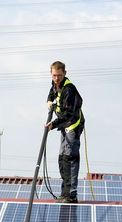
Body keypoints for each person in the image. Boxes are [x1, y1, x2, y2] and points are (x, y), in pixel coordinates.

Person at [45, 61, 84, 203]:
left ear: (65, 73)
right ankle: (64, 192)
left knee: (70, 158)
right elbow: (52, 93)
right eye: (54, 75)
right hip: (64, 125)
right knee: (62, 158)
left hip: (72, 125)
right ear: (51, 74)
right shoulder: (55, 85)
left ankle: (71, 195)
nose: (56, 78)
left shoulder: (69, 89)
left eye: (59, 76)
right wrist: (49, 101)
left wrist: (53, 124)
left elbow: (68, 114)